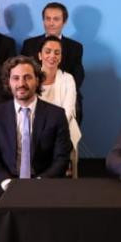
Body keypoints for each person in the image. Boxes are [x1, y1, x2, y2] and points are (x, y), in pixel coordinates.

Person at [0, 56, 72, 225]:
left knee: (57, 219)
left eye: (27, 77)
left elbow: (61, 159)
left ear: (38, 80)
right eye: (16, 78)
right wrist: (7, 182)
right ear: (8, 82)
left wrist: (40, 182)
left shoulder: (56, 115)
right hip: (5, 181)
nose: (21, 83)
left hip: (43, 181)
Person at [36, 35, 81, 175]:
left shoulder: (68, 79)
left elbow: (67, 111)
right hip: (36, 130)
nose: (52, 56)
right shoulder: (31, 78)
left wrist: (51, 131)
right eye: (48, 51)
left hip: (63, 130)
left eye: (57, 53)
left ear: (61, 57)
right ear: (40, 55)